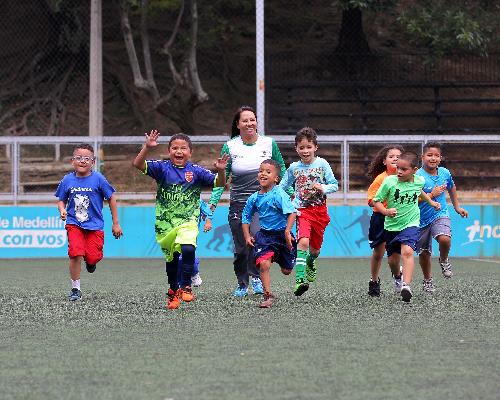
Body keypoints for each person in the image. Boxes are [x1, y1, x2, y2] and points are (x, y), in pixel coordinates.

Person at [133, 130, 228, 310]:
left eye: (183, 148)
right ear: (169, 152)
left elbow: (220, 183)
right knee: (172, 260)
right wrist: (147, 147)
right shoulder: (161, 168)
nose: (179, 151)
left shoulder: (197, 171)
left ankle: (186, 285)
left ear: (190, 152)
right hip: (165, 223)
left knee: (188, 247)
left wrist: (221, 171)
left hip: (188, 220)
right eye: (175, 148)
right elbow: (138, 164)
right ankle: (173, 290)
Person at [209, 105, 290, 298]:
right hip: (238, 203)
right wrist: (212, 205)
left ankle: (256, 277)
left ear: (256, 122)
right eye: (244, 120)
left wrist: (290, 194)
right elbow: (221, 179)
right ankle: (242, 282)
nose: (249, 123)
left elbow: (283, 172)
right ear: (238, 124)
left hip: (263, 204)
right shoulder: (230, 146)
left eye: (252, 119)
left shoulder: (269, 144)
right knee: (241, 247)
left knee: (256, 240)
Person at [55, 143, 123, 302]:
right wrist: (62, 210)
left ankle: (91, 263)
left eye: (87, 158)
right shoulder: (67, 180)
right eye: (79, 158)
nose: (82, 161)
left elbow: (111, 197)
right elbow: (61, 200)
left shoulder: (98, 179)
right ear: (73, 161)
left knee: (93, 257)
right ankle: (75, 289)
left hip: (94, 226)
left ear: (93, 162)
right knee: (75, 253)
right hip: (74, 223)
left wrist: (116, 223)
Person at [372, 151, 440, 303]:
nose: (399, 172)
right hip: (391, 226)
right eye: (398, 168)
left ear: (414, 170)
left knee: (408, 251)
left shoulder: (419, 180)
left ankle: (406, 286)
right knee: (393, 261)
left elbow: (419, 192)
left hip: (411, 224)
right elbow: (376, 201)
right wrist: (385, 211)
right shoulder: (389, 182)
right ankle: (398, 276)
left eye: (404, 169)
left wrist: (431, 202)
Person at [279, 127, 338, 296]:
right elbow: (283, 187)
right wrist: (288, 199)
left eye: (308, 147)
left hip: (319, 212)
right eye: (301, 147)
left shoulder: (322, 164)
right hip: (301, 211)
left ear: (315, 147)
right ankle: (299, 281)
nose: (305, 151)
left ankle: (311, 262)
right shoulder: (293, 168)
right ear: (296, 148)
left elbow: (334, 185)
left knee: (314, 251)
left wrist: (323, 187)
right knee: (302, 242)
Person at [242, 159, 297, 308]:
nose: (263, 174)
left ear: (276, 178)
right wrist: (247, 236)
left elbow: (292, 213)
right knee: (264, 264)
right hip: (265, 236)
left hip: (283, 237)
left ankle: (278, 256)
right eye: (261, 171)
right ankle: (268, 295)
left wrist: (287, 231)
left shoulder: (279, 194)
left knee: (287, 271)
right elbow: (246, 217)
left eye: (268, 171)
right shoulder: (254, 198)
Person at [416, 142, 469, 292]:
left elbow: (451, 187)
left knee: (445, 238)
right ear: (422, 157)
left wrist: (457, 207)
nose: (433, 158)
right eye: (429, 155)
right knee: (424, 253)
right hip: (420, 219)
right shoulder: (418, 177)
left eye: (436, 155)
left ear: (440, 158)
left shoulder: (445, 173)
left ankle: (443, 259)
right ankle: (428, 280)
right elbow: (413, 199)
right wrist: (431, 195)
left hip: (440, 213)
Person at [365, 145, 404, 297]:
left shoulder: (407, 179)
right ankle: (374, 282)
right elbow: (370, 200)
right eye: (391, 156)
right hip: (380, 219)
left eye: (398, 156)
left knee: (394, 258)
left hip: (397, 219)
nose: (395, 158)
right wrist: (383, 207)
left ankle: (398, 276)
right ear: (384, 161)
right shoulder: (381, 179)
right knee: (378, 252)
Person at [177, 199, 213, 287]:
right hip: (175, 231)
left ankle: (194, 273)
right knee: (176, 258)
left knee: (186, 254)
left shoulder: (197, 200)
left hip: (191, 232)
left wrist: (208, 222)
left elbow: (208, 211)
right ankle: (178, 284)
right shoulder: (173, 198)